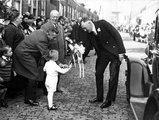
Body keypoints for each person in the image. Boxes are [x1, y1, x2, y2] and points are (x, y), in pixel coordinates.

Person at [81, 17, 126, 108]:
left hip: (114, 52)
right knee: (98, 73)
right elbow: (88, 46)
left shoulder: (103, 23)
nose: (85, 30)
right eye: (83, 29)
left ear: (89, 23)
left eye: (85, 27)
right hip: (102, 55)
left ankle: (109, 99)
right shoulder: (89, 33)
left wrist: (121, 52)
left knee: (113, 76)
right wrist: (82, 57)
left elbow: (116, 35)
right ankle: (99, 97)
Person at [12, 28, 57, 106]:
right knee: (33, 74)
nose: (54, 39)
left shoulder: (42, 32)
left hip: (24, 52)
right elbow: (46, 54)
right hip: (25, 54)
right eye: (53, 37)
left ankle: (26, 94)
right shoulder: (42, 39)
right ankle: (30, 98)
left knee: (29, 74)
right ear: (48, 34)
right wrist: (58, 64)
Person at [41, 10, 66, 93]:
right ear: (50, 16)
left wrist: (64, 51)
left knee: (58, 70)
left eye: (57, 17)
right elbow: (44, 41)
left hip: (60, 53)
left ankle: (56, 87)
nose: (55, 18)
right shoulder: (44, 26)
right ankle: (46, 89)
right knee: (49, 71)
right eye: (53, 16)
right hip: (51, 53)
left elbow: (63, 39)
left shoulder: (60, 27)